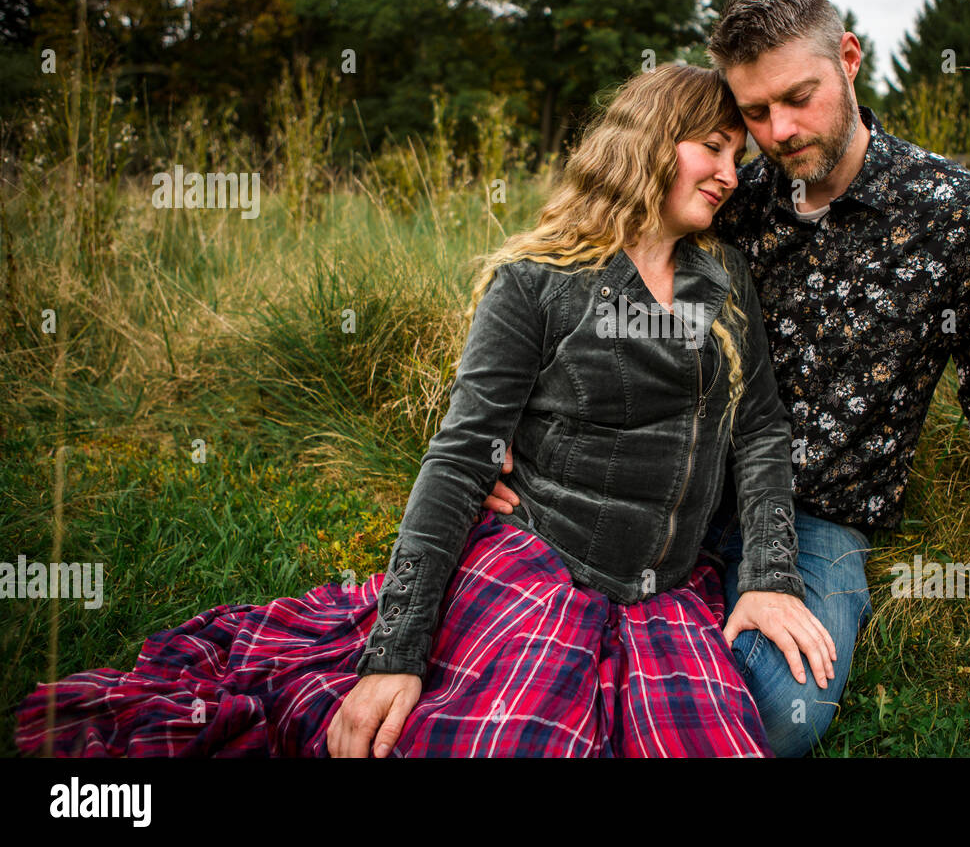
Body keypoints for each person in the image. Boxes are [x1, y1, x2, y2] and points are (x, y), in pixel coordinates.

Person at [14, 63, 835, 759]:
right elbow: (459, 456)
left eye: (737, 154)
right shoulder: (537, 282)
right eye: (713, 148)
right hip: (547, 566)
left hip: (663, 590)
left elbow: (759, 429)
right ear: (653, 142)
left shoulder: (723, 282)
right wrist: (395, 655)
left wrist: (767, 574)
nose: (731, 172)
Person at [483, 0, 970, 758]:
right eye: (756, 113)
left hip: (815, 515)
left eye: (799, 97)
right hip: (660, 478)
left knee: (776, 710)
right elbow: (576, 269)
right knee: (534, 671)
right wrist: (502, 424)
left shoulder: (955, 213)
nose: (780, 130)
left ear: (849, 59)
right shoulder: (727, 190)